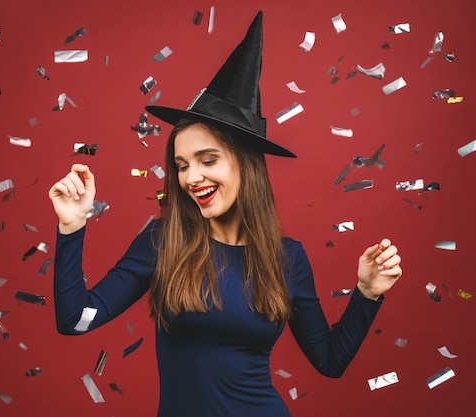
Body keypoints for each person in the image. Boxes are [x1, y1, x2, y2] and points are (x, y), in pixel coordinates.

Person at [48, 11, 402, 417]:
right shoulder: (162, 242)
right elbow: (75, 319)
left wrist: (368, 293)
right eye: (181, 165)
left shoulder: (289, 259)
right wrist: (72, 226)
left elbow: (329, 361)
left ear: (244, 165)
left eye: (207, 160)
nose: (191, 177)